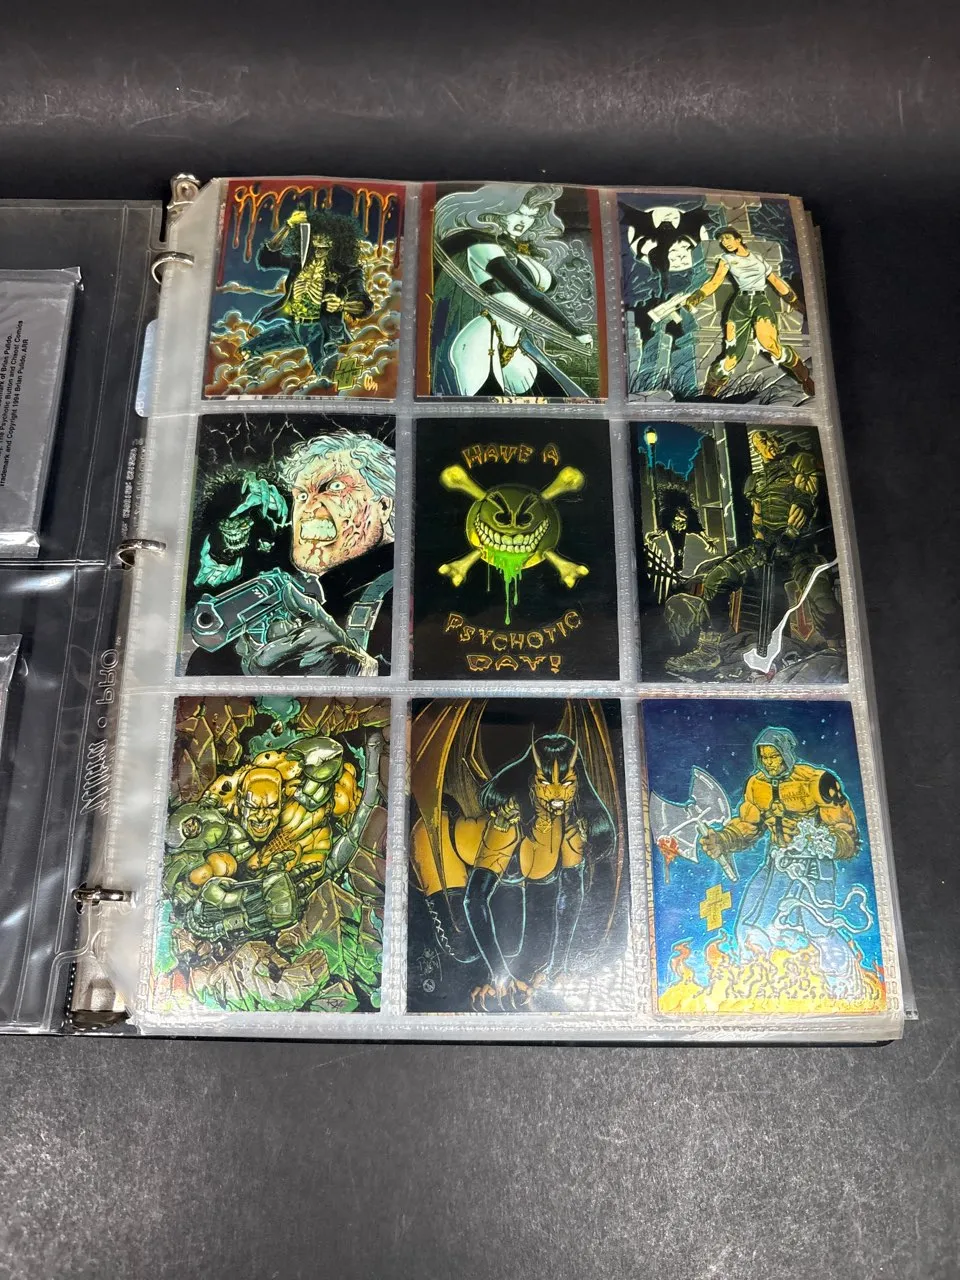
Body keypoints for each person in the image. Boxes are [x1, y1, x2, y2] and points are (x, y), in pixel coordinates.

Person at [187, 429, 395, 676]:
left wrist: (360, 672)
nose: (308, 508)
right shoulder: (307, 591)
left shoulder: (405, 589)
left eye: (335, 486)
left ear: (384, 505)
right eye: (302, 495)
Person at [698, 726, 870, 997]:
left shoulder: (817, 781)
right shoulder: (757, 785)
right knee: (750, 924)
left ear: (786, 753)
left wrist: (830, 843)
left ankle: (848, 986)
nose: (769, 763)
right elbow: (748, 825)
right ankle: (759, 984)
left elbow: (845, 830)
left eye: (774, 756)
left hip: (814, 866)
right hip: (777, 863)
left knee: (818, 929)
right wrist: (723, 839)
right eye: (764, 757)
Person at [664, 431, 840, 676]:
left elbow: (804, 502)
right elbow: (757, 516)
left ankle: (838, 649)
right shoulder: (756, 480)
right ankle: (711, 648)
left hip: (800, 549)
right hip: (765, 549)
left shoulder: (799, 461)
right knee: (716, 578)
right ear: (757, 449)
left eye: (771, 438)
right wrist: (759, 543)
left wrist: (789, 535)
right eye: (762, 442)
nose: (770, 443)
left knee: (824, 603)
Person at [431, 183, 594, 397]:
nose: (524, 222)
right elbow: (525, 291)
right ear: (499, 211)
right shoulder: (481, 245)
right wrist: (575, 330)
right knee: (486, 408)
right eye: (518, 213)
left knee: (558, 399)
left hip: (514, 346)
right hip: (482, 340)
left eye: (531, 216)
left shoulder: (513, 250)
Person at [240, 207, 372, 380]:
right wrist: (288, 226)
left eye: (324, 248)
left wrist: (342, 304)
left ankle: (345, 385)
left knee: (327, 375)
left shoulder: (347, 270)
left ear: (336, 246)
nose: (318, 252)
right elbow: (266, 258)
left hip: (321, 331)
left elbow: (364, 305)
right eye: (315, 246)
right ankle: (253, 383)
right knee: (247, 350)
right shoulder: (299, 262)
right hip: (294, 327)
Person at [684, 226, 814, 398]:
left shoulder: (758, 258)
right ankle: (709, 394)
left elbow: (775, 280)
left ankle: (803, 376)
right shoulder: (726, 259)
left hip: (760, 303)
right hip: (740, 306)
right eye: (722, 240)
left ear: (738, 239)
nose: (724, 242)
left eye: (727, 238)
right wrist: (697, 296)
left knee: (771, 345)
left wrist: (794, 301)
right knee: (731, 359)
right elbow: (714, 282)